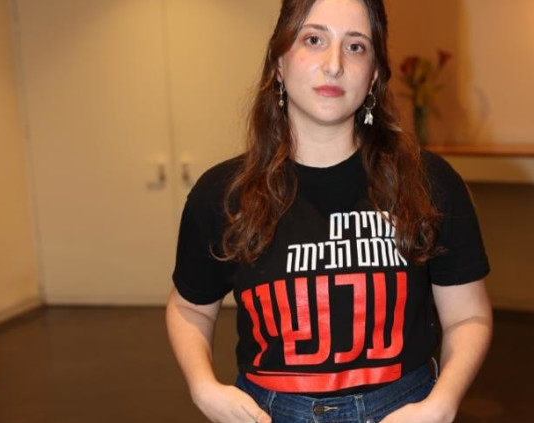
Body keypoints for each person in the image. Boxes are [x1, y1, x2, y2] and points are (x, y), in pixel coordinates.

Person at [166, 0, 492, 422]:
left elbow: (468, 315)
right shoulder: (223, 193)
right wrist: (203, 386)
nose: (334, 65)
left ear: (374, 75)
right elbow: (190, 308)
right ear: (278, 62)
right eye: (314, 40)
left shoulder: (428, 182)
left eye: (356, 46)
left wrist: (442, 403)